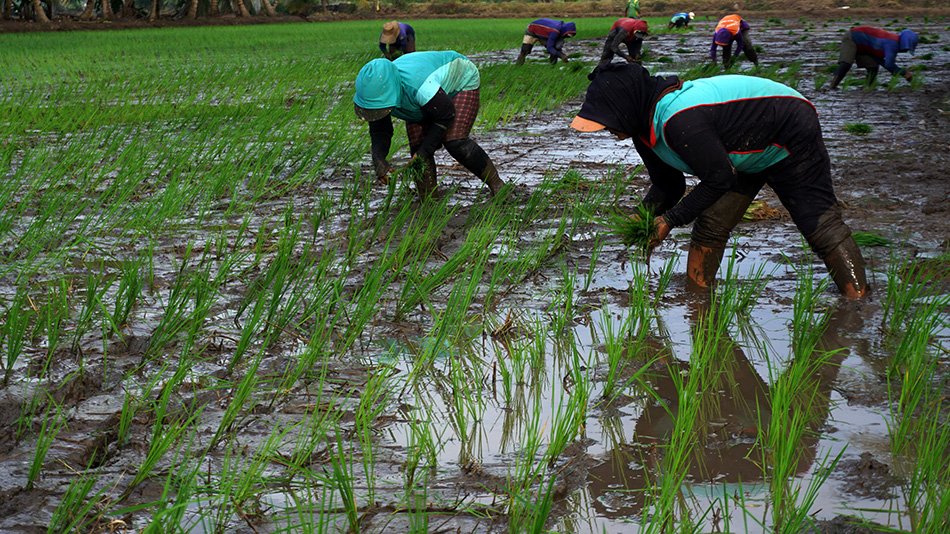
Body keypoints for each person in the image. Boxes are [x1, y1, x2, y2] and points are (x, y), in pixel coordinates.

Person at [569, 63, 869, 298]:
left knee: (818, 224)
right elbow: (667, 185)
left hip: (789, 128)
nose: (607, 129)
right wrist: (644, 215)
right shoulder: (643, 131)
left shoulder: (680, 120)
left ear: (625, 107)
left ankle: (857, 304)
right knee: (710, 224)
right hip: (738, 152)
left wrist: (669, 221)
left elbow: (719, 178)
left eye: (607, 119)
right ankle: (698, 299)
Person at [353, 51, 504, 199]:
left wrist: (425, 151)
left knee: (455, 141)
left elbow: (445, 115)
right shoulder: (376, 95)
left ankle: (499, 187)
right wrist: (379, 160)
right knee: (418, 148)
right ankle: (429, 200)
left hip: (459, 80)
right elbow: (380, 129)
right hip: (425, 100)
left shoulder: (419, 86)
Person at [830, 26, 918, 89]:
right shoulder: (892, 44)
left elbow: (879, 59)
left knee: (873, 67)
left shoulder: (893, 42)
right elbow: (889, 64)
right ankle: (832, 87)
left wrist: (898, 72)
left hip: (865, 48)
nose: (905, 51)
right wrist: (904, 73)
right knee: (846, 63)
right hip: (852, 38)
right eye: (906, 49)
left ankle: (869, 88)